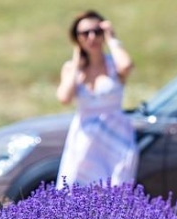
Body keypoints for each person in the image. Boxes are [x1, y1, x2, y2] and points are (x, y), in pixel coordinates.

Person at [55, 10, 139, 190]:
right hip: (84, 139)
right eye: (85, 33)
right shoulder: (72, 69)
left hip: (115, 136)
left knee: (115, 191)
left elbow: (126, 65)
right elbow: (64, 97)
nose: (92, 37)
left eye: (97, 32)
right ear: (77, 38)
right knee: (75, 190)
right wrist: (76, 62)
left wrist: (112, 39)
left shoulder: (114, 65)